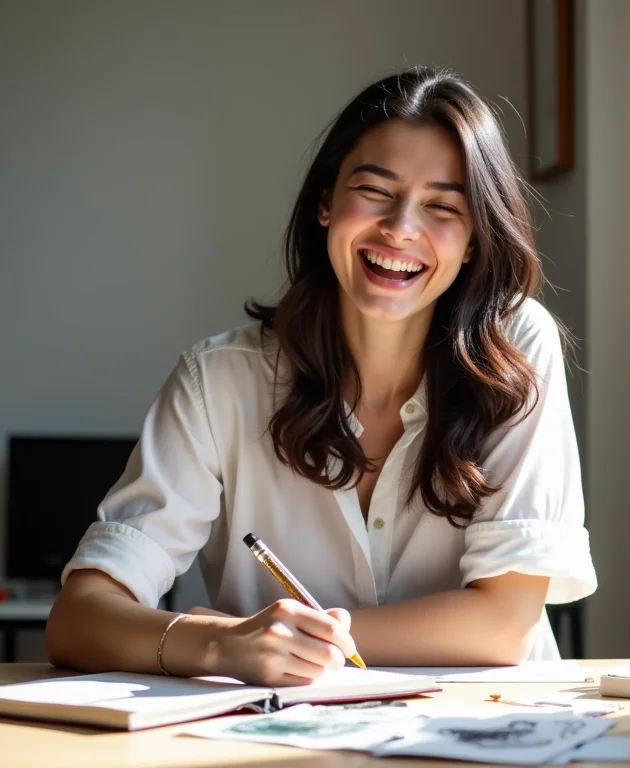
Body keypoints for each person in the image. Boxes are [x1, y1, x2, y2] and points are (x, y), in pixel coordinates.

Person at [46, 67, 596, 687]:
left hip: (492, 726)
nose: (401, 228)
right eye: (375, 190)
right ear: (326, 203)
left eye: (443, 206)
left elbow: (503, 624)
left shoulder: (515, 349)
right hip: (282, 730)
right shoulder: (219, 381)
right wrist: (222, 645)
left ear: (473, 240)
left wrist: (295, 643)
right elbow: (78, 619)